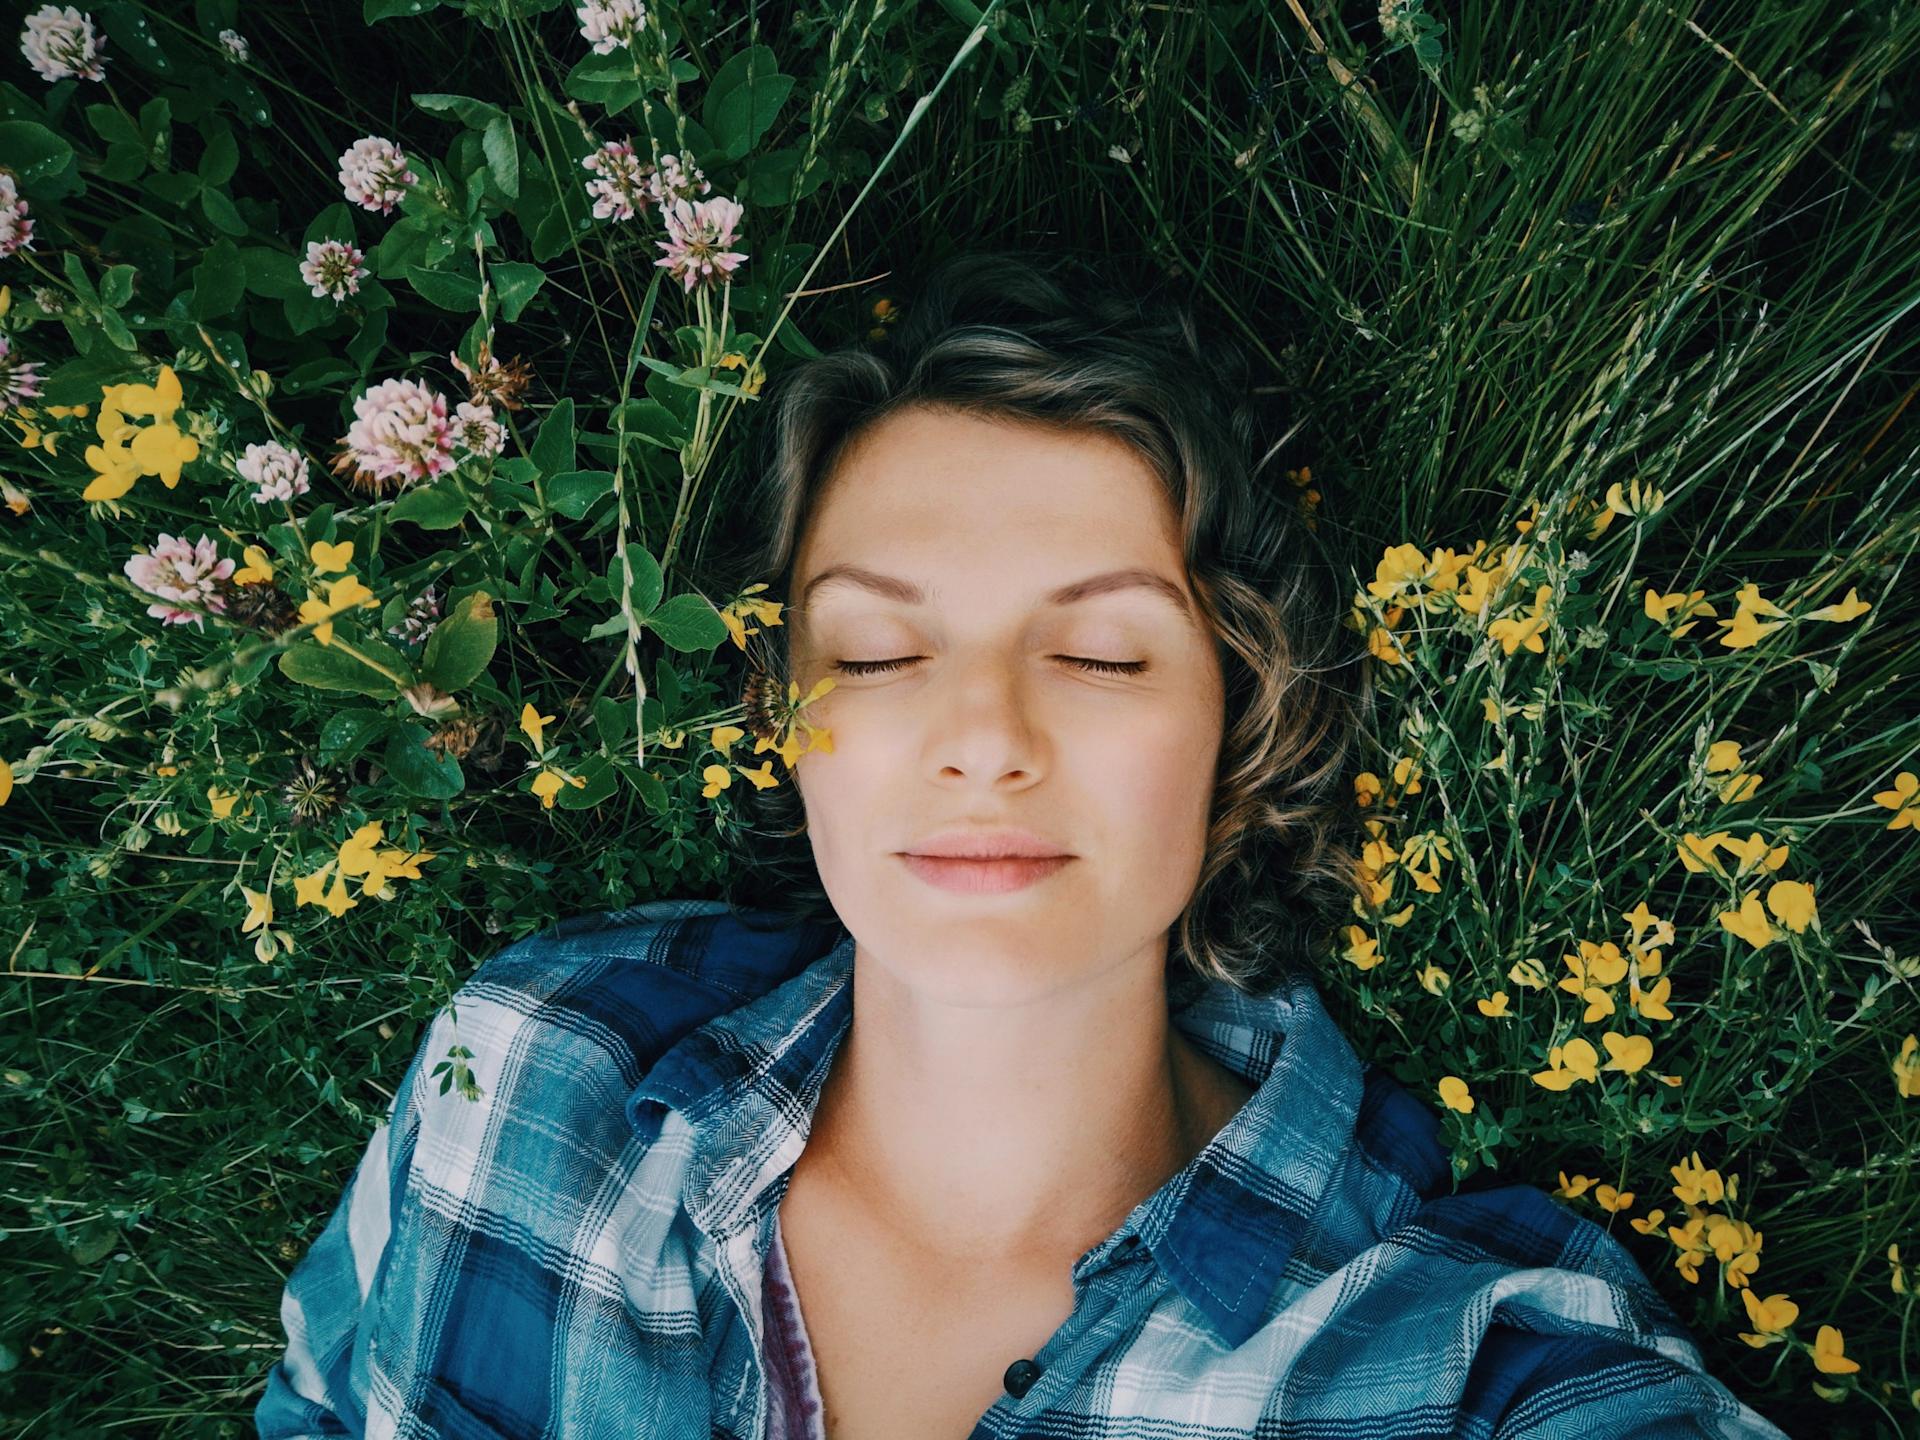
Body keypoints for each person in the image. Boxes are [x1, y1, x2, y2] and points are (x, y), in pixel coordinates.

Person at [256, 251, 1791, 1439]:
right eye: (871, 654)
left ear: (1243, 736)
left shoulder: (1461, 1368)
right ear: (781, 718)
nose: (982, 734)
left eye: (1106, 657)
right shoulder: (522, 1070)